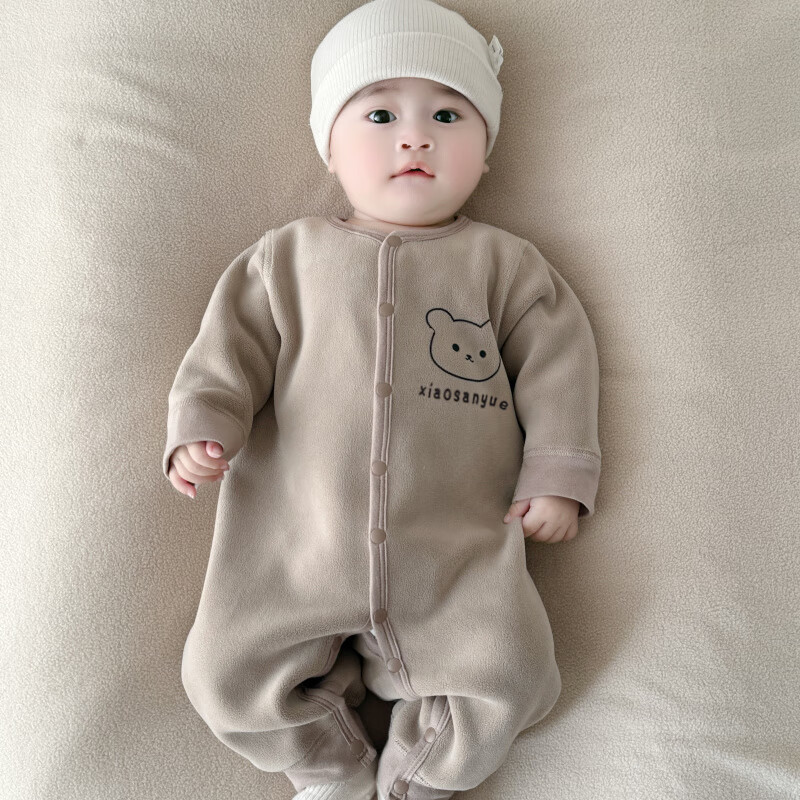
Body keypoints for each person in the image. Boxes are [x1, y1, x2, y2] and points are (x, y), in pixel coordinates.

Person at [162, 1, 601, 798]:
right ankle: (328, 766)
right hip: (295, 545)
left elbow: (558, 363)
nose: (415, 137)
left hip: (455, 554)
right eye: (380, 114)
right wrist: (203, 426)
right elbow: (226, 351)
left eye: (447, 115)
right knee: (223, 676)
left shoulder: (506, 267)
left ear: (486, 153)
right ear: (330, 148)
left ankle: (420, 776)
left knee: (514, 674)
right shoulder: (287, 259)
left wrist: (557, 471)